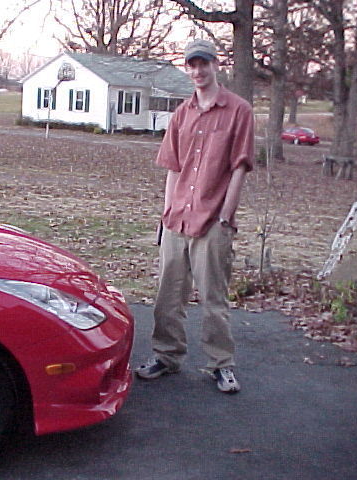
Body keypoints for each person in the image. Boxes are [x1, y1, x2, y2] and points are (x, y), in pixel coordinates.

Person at [136, 38, 254, 394]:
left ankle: (221, 364)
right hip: (177, 219)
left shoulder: (239, 111)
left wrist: (226, 217)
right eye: (192, 65)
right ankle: (166, 356)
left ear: (216, 65)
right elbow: (173, 167)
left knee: (213, 300)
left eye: (204, 63)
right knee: (168, 296)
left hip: (213, 220)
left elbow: (240, 167)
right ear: (187, 69)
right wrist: (167, 212)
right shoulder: (181, 114)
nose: (198, 70)